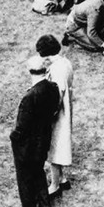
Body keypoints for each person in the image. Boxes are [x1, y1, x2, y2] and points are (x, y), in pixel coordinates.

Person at [10, 56, 60, 207]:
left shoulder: (29, 98)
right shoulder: (53, 88)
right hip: (43, 141)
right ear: (45, 70)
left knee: (25, 180)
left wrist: (13, 138)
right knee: (38, 174)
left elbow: (21, 128)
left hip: (27, 146)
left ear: (29, 71)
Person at [37, 35, 73, 197]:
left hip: (58, 114)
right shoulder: (65, 62)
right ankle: (62, 178)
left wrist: (48, 114)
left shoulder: (57, 69)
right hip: (65, 109)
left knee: (54, 149)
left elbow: (57, 95)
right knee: (58, 145)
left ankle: (55, 185)